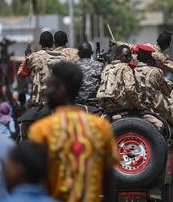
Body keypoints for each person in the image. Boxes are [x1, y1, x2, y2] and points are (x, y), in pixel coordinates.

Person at [29, 62, 118, 202]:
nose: (46, 91)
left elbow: (36, 181)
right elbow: (109, 179)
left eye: (50, 86)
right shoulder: (101, 126)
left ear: (61, 89)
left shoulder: (41, 129)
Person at [17, 31, 67, 106]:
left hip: (41, 103)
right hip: (59, 102)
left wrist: (27, 57)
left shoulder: (34, 57)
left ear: (40, 43)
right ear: (53, 43)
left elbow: (21, 75)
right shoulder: (63, 57)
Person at [133, 44, 173, 119]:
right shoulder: (156, 71)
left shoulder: (131, 71)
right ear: (149, 59)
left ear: (138, 57)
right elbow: (167, 92)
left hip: (134, 108)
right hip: (153, 110)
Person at [97, 45, 139, 112]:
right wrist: (138, 105)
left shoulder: (107, 67)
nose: (128, 59)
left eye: (130, 56)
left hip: (106, 107)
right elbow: (130, 89)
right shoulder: (126, 68)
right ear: (118, 55)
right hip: (120, 107)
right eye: (125, 56)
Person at [76, 42, 103, 106]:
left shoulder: (73, 67)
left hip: (78, 104)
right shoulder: (100, 65)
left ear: (78, 54)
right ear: (92, 52)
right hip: (95, 103)